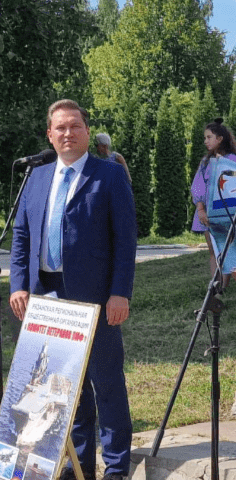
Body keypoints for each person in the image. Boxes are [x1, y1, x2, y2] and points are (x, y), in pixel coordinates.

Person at [10, 99, 137, 480]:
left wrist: (120, 292)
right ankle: (76, 464)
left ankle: (115, 468)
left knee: (106, 383)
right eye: (60, 128)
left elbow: (125, 240)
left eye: (74, 126)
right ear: (49, 135)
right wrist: (19, 285)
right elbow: (21, 236)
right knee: (63, 388)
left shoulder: (110, 176)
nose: (67, 133)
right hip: (44, 297)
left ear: (86, 130)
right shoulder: (36, 178)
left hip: (96, 299)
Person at [190, 118, 236, 287]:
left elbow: (233, 183)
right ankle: (215, 285)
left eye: (209, 137)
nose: (206, 141)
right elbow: (198, 185)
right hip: (206, 212)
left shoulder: (232, 158)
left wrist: (222, 162)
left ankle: (223, 285)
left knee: (224, 248)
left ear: (220, 139)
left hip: (224, 212)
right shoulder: (205, 162)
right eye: (205, 138)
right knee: (213, 250)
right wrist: (200, 208)